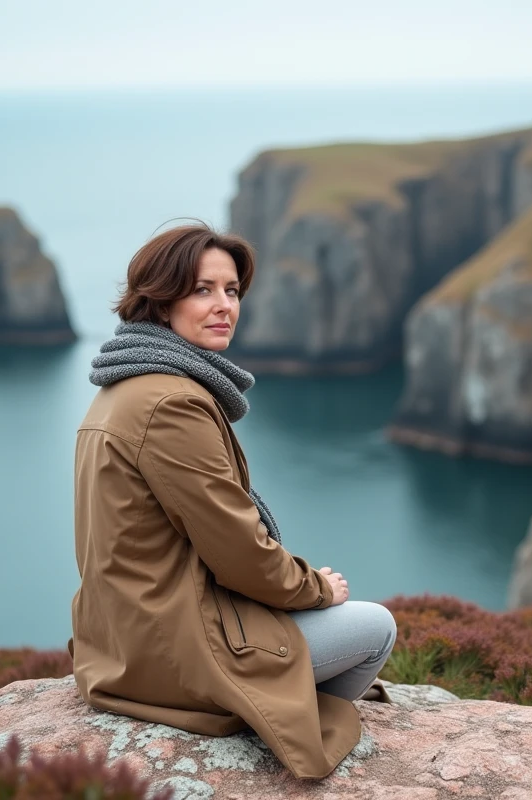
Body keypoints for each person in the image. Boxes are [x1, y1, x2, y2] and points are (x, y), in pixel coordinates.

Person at [67, 222, 396, 780]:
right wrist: (315, 589)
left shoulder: (125, 386)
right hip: (170, 653)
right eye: (202, 290)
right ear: (158, 300)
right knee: (375, 627)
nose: (224, 306)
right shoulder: (172, 403)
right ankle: (268, 720)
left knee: (322, 626)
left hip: (117, 642)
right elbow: (239, 550)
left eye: (232, 291)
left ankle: (268, 702)